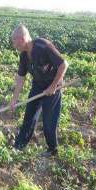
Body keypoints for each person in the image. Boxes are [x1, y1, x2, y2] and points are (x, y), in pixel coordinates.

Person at [9, 24, 68, 157]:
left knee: (49, 120)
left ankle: (53, 149)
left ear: (22, 39)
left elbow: (63, 65)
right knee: (29, 116)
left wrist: (53, 86)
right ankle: (19, 145)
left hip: (53, 86)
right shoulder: (24, 55)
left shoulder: (43, 46)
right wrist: (14, 99)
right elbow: (20, 78)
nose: (14, 45)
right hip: (38, 85)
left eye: (14, 41)